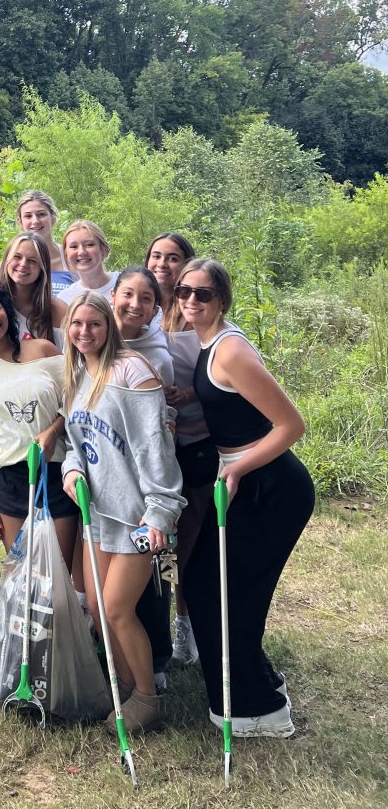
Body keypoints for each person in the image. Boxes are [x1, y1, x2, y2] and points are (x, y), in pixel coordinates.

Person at [178, 258, 314, 738]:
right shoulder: (207, 343)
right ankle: (256, 684)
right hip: (247, 482)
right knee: (211, 586)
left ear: (222, 300)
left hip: (272, 488)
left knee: (228, 592)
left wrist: (236, 467)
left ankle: (262, 712)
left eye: (203, 294)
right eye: (183, 292)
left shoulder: (230, 350)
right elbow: (227, 403)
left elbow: (291, 425)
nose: (191, 301)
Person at [61, 291, 185, 733]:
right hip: (99, 513)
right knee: (97, 610)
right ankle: (128, 690)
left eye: (94, 324)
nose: (85, 332)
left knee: (117, 609)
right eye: (77, 324)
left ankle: (148, 699)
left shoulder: (131, 371)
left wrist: (160, 513)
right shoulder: (77, 373)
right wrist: (72, 471)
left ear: (109, 326)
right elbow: (77, 445)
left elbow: (156, 449)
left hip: (137, 516)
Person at [0, 282, 77, 571]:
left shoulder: (44, 350)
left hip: (55, 471)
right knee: (23, 573)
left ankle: (58, 618)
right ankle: (22, 619)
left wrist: (53, 431)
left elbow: (73, 405)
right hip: (6, 478)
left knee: (58, 571)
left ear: (7, 311)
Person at [144, 232, 212, 668]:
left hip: (198, 440)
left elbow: (220, 375)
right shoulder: (143, 308)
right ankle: (158, 620)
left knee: (190, 540)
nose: (163, 265)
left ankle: (186, 623)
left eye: (173, 258)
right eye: (156, 256)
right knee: (157, 540)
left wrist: (190, 394)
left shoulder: (198, 311)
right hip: (154, 446)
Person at [110, 266, 176, 689]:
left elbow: (160, 431)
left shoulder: (158, 356)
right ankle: (118, 655)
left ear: (156, 309)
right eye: (127, 294)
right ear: (112, 295)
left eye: (146, 299)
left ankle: (158, 657)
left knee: (155, 570)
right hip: (104, 482)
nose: (135, 305)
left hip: (147, 485)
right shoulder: (90, 339)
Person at [0, 232, 62, 341]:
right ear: (6, 260)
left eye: (32, 260)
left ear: (42, 268)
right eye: (17, 257)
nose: (23, 264)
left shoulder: (56, 309)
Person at [15, 190, 74, 291]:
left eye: (41, 214)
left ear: (53, 217)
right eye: (28, 216)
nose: (35, 221)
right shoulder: (13, 262)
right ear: (20, 221)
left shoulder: (70, 257)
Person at [56, 220, 118, 306]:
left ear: (104, 249)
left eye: (89, 245)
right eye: (74, 246)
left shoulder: (125, 283)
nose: (81, 252)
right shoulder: (64, 300)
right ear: (66, 254)